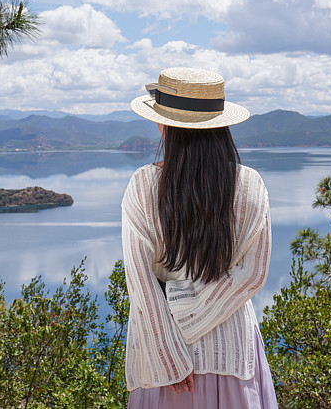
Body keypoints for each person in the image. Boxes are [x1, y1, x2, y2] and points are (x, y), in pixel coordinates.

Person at [122, 67, 278, 408]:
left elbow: (140, 279)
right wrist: (197, 316)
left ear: (166, 124)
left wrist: (169, 351)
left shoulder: (144, 186)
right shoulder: (250, 184)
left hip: (163, 357)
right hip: (232, 350)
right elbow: (253, 274)